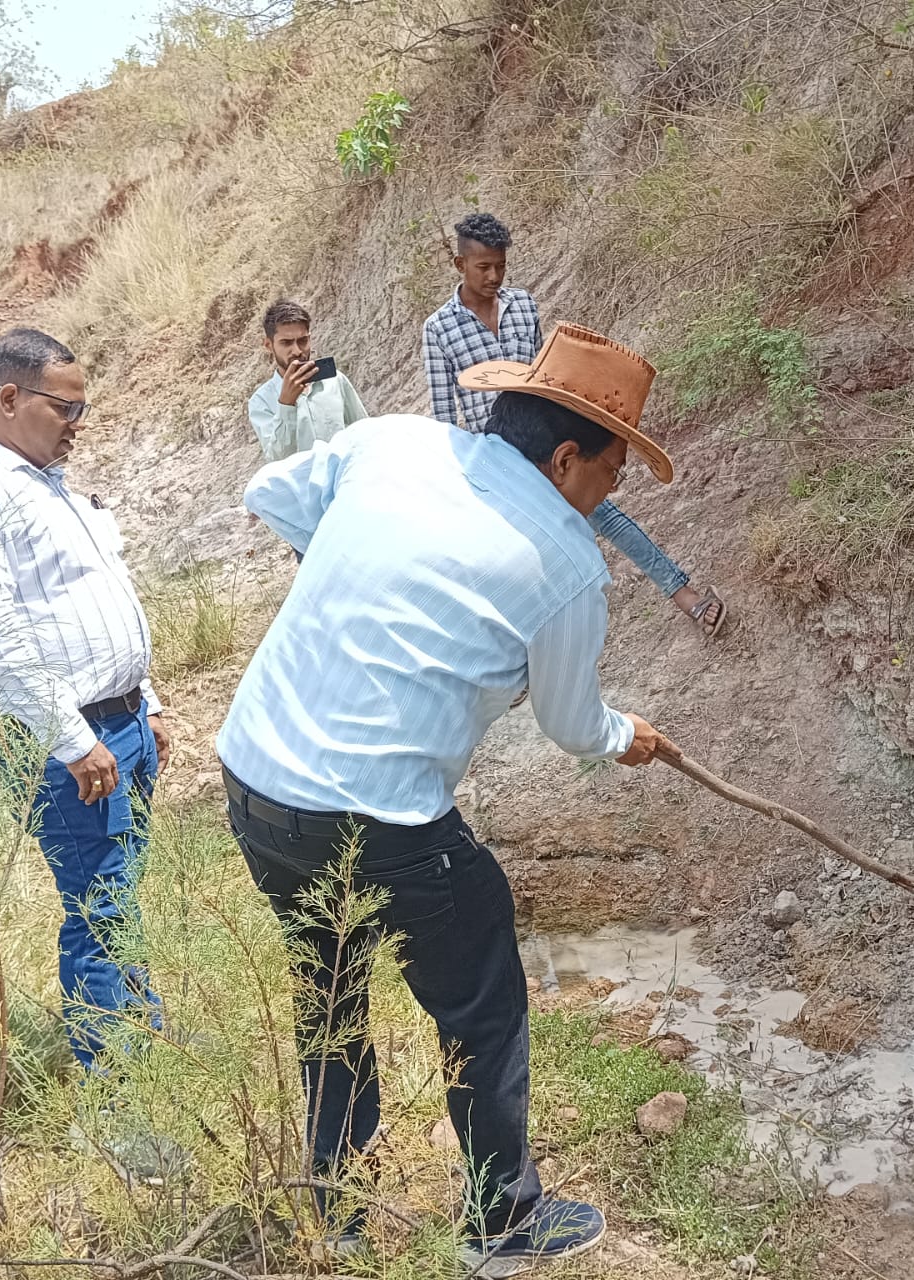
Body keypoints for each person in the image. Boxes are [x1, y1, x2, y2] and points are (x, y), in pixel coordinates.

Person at [218, 323, 672, 1273]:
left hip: (256, 774)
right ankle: (501, 1225)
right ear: (565, 457)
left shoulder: (394, 441)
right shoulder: (569, 564)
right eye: (613, 467)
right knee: (482, 1002)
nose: (614, 489)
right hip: (379, 814)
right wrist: (631, 738)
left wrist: (363, 573)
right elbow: (571, 722)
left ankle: (332, 1211)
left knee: (330, 988)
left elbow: (270, 491)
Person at [0, 328, 171, 1080]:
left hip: (122, 724)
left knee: (121, 898)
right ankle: (120, 1102)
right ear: (9, 399)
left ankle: (147, 1059)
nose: (78, 425)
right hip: (69, 744)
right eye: (67, 408)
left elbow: (96, 597)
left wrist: (145, 700)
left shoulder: (44, 483)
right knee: (99, 913)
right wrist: (73, 738)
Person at [421, 211, 726, 638]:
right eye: (483, 267)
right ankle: (520, 648)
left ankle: (683, 595)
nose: (493, 276)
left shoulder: (523, 305)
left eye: (500, 266)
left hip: (546, 443)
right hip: (494, 456)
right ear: (460, 265)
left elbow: (546, 378)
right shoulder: (438, 329)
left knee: (606, 516)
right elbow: (442, 412)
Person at [249, 298, 369, 462]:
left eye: (303, 340)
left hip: (344, 481)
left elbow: (364, 431)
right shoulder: (261, 401)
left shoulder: (335, 381)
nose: (297, 351)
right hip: (302, 486)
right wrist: (286, 405)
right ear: (269, 345)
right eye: (286, 343)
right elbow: (278, 460)